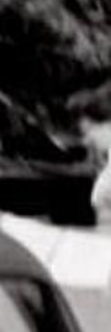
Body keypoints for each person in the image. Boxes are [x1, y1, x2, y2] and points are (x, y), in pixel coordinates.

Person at [67, 82, 111, 231]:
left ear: (84, 118)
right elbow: (90, 167)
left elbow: (88, 168)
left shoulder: (94, 135)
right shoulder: (104, 131)